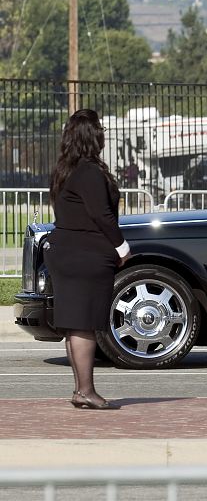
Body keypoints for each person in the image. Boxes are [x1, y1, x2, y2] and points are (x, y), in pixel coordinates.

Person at [44, 109, 131, 410]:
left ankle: (80, 390)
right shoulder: (90, 172)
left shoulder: (65, 170)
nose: (104, 133)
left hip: (66, 253)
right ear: (92, 136)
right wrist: (121, 247)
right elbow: (101, 215)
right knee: (84, 324)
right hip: (86, 255)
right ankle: (86, 390)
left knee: (75, 325)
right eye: (100, 129)